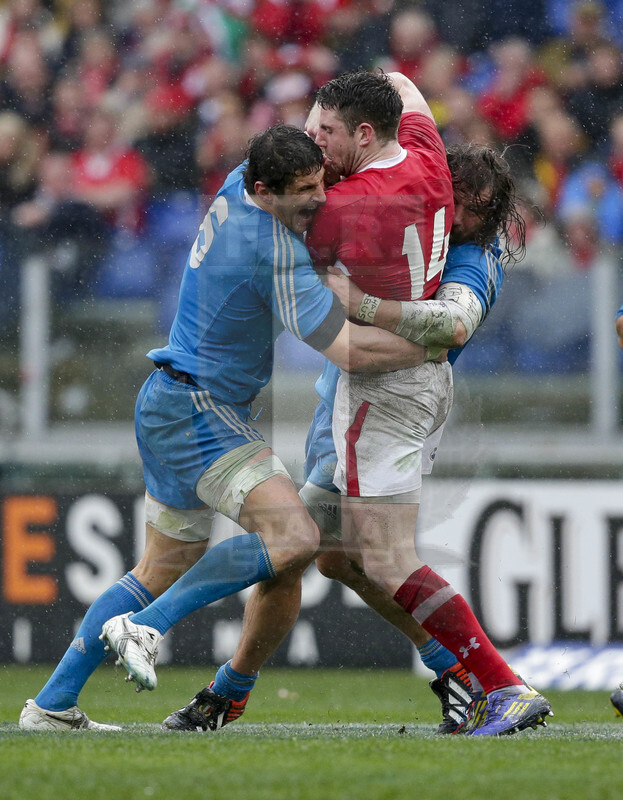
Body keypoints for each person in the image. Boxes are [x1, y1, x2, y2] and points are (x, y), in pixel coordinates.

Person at [100, 70, 551, 737]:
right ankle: (190, 657)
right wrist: (319, 129)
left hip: (385, 391)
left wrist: (357, 301)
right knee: (311, 541)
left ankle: (494, 683)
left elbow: (448, 327)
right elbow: (397, 82)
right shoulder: (425, 161)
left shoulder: (447, 244)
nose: (318, 148)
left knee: (379, 554)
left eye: (329, 134)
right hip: (361, 393)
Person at [19, 123, 426, 731]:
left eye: (321, 179)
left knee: (161, 566)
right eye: (306, 189)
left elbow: (298, 156)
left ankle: (51, 705)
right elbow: (350, 353)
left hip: (166, 401)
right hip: (198, 411)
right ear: (266, 190)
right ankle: (146, 627)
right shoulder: (274, 252)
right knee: (294, 538)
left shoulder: (238, 181)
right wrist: (430, 342)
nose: (320, 196)